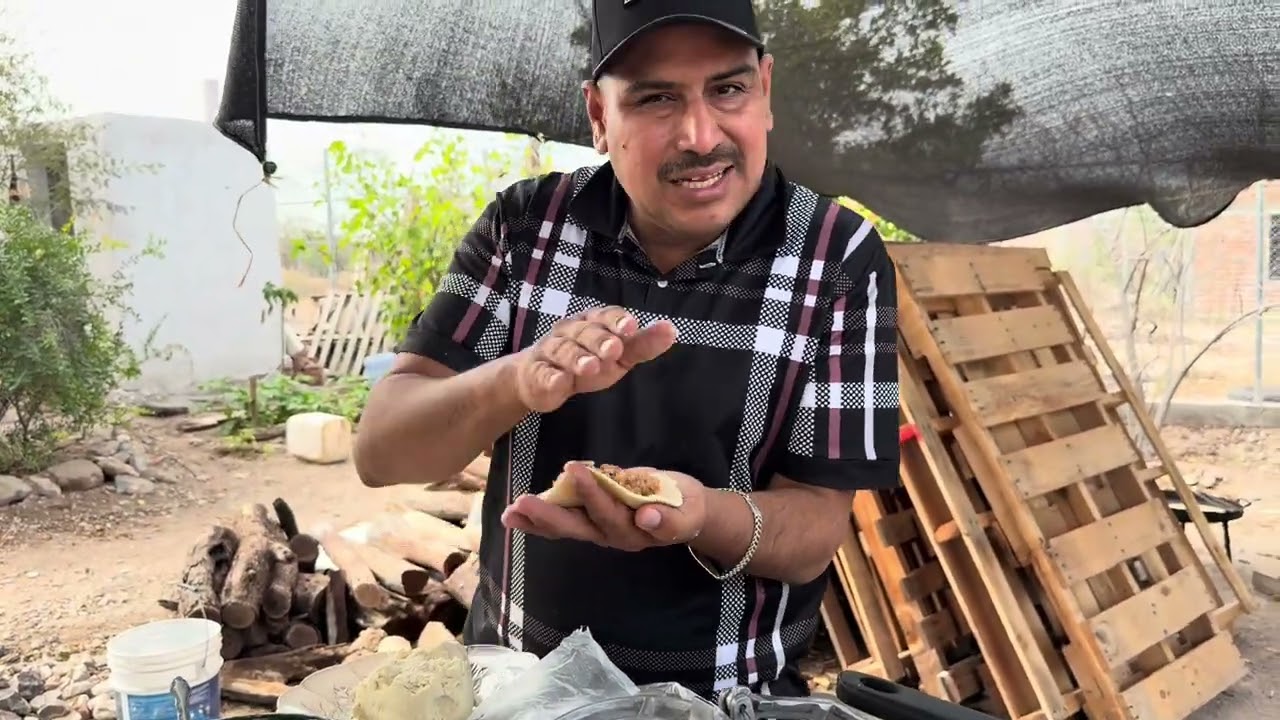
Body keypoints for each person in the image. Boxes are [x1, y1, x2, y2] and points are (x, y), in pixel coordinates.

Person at [355, 0, 901, 699]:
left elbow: (815, 533)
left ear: (765, 90)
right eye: (655, 99)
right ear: (599, 115)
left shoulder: (838, 259)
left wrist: (699, 516)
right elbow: (382, 453)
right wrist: (518, 380)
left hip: (727, 699)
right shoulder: (526, 229)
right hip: (520, 689)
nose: (700, 137)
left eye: (728, 89)